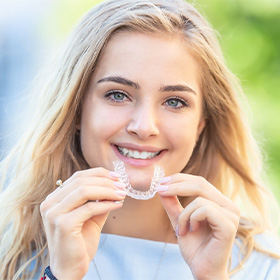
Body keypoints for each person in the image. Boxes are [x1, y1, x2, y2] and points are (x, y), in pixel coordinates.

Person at [0, 0, 279, 279]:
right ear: (75, 111)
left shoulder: (263, 266)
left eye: (174, 101)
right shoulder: (11, 256)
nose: (144, 127)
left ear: (200, 126)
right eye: (118, 95)